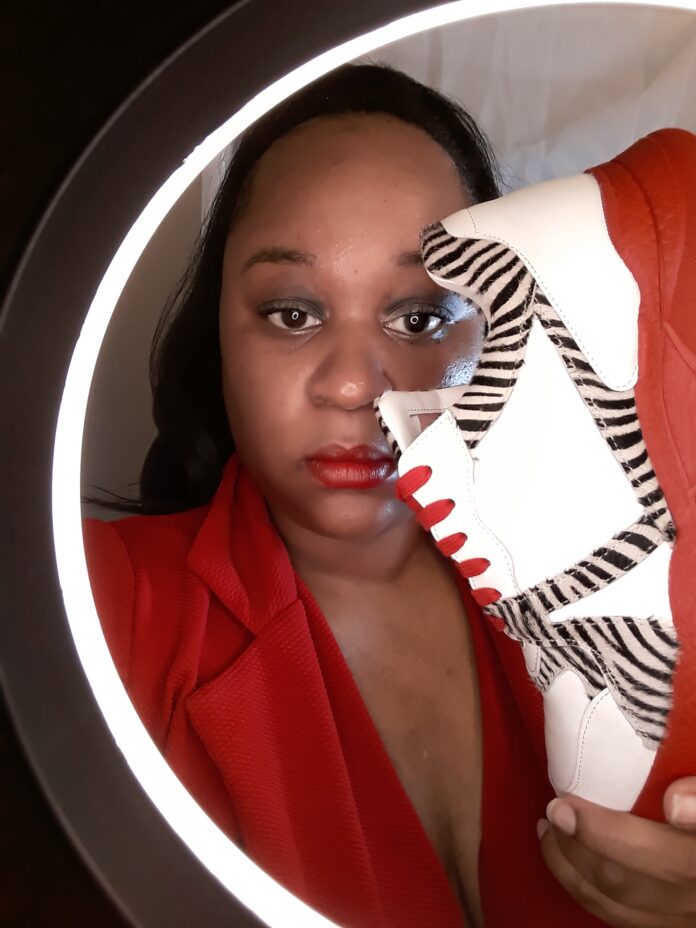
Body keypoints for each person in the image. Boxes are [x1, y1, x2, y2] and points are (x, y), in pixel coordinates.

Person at [83, 64, 696, 928]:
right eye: (293, 313)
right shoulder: (91, 604)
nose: (353, 386)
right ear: (217, 332)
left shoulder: (633, 584)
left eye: (419, 318)